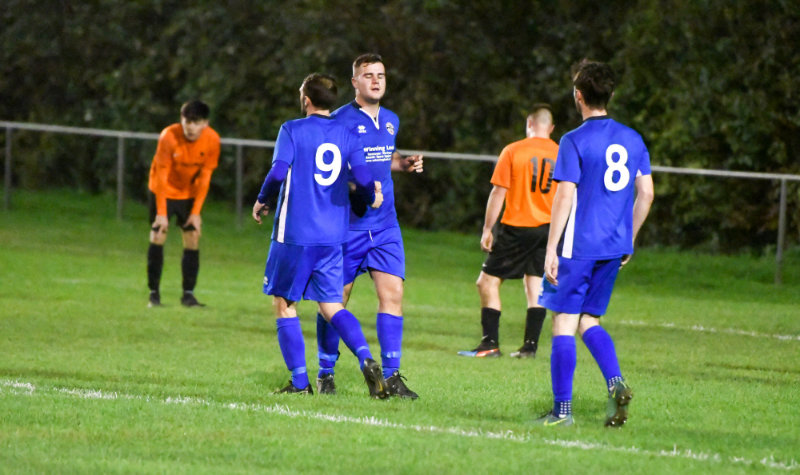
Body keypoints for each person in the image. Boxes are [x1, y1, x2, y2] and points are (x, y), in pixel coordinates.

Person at [252, 72, 388, 398]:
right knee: (331, 305)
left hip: (295, 235)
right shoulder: (347, 133)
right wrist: (370, 198)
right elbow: (364, 179)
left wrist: (262, 199)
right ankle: (366, 358)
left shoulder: (292, 129)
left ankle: (300, 383)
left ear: (306, 99)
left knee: (284, 303)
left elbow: (278, 171)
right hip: (332, 237)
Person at [535, 60, 654, 427]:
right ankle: (615, 382)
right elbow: (647, 194)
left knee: (563, 323)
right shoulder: (633, 138)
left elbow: (564, 195)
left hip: (577, 247)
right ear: (610, 94)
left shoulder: (573, 140)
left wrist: (551, 248)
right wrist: (629, 238)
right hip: (612, 248)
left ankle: (562, 412)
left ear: (579, 96)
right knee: (589, 319)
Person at [314, 53, 424, 399]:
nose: (376, 81)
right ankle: (326, 372)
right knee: (335, 300)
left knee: (393, 296)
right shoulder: (338, 121)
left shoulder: (390, 120)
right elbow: (328, 174)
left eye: (381, 75)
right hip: (347, 227)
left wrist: (402, 164)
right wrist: (358, 190)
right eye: (368, 75)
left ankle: (391, 377)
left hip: (386, 226)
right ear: (354, 82)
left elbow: (383, 156)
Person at [458, 104, 558, 359]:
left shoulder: (513, 150)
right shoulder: (561, 153)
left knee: (487, 281)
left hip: (518, 227)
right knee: (534, 284)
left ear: (529, 123)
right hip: (548, 229)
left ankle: (490, 343)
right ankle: (529, 347)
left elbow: (498, 192)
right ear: (551, 128)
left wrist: (487, 228)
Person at [147, 100, 220, 307]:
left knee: (193, 237)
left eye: (196, 122)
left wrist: (196, 213)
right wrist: (162, 212)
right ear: (181, 120)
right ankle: (154, 294)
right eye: (187, 121)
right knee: (158, 234)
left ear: (205, 123)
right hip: (163, 190)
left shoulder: (212, 140)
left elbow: (205, 178)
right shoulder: (168, 136)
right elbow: (161, 175)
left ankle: (188, 295)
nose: (190, 127)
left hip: (188, 194)